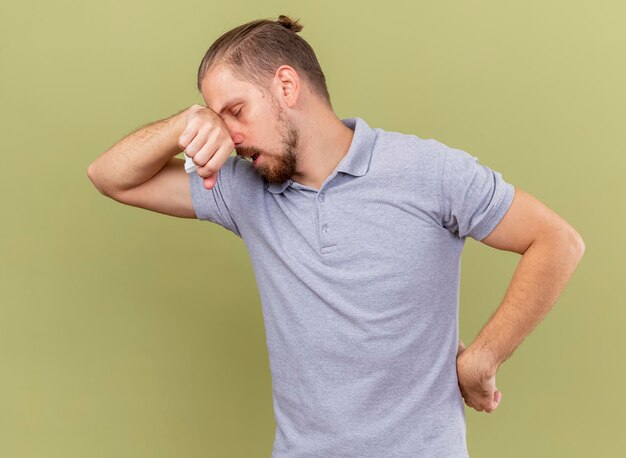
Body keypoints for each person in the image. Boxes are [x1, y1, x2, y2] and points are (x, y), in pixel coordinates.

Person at [87, 14, 585, 458]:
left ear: (286, 86)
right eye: (219, 118)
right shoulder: (242, 189)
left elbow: (556, 241)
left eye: (235, 111)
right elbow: (110, 176)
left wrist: (483, 357)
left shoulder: (428, 171)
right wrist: (185, 124)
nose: (229, 136)